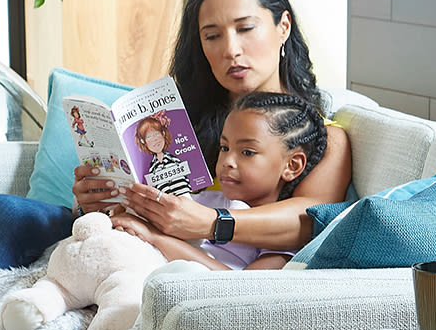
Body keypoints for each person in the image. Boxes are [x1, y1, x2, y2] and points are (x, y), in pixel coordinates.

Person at [0, 0, 355, 322]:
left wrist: (206, 224)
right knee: (1, 210)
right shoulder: (178, 115)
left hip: (191, 257)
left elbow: (308, 221)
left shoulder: (322, 137)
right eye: (212, 36)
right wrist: (95, 199)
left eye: (246, 28)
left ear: (282, 27)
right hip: (125, 233)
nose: (231, 50)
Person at [112, 93, 328, 272]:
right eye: (224, 148)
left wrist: (156, 238)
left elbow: (239, 287)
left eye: (247, 152)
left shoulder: (279, 238)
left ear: (292, 165)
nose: (227, 162)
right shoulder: (201, 201)